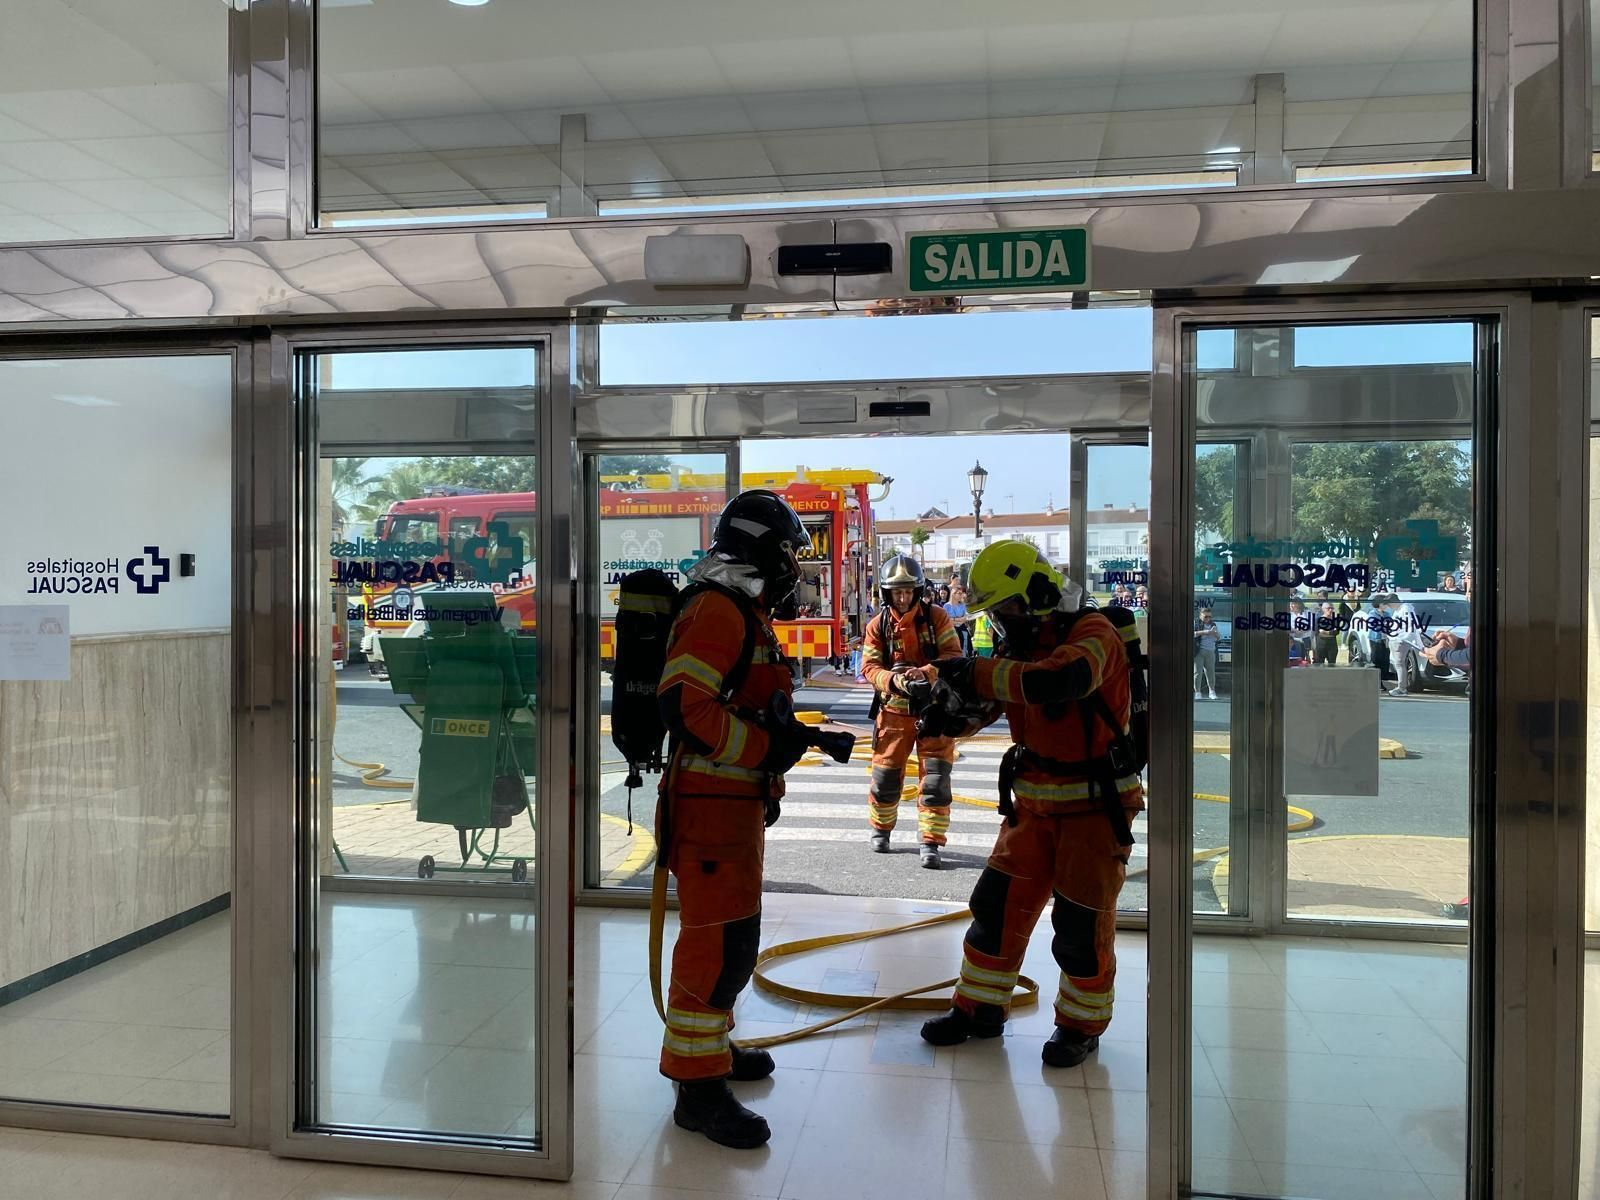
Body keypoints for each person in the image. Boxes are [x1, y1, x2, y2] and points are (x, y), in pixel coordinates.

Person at [915, 541, 1143, 1069]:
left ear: (1037, 591)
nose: (1001, 620)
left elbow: (1054, 682)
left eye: (1006, 607)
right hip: (1033, 807)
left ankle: (1080, 1026)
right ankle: (978, 1009)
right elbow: (996, 701)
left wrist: (971, 671)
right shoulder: (1020, 641)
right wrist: (949, 714)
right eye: (994, 612)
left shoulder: (1094, 634)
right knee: (995, 910)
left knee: (1080, 928)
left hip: (1093, 810)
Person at [654, 490, 814, 1150]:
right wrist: (764, 751)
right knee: (717, 946)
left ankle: (712, 1048)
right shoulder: (717, 611)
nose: (793, 569)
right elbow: (687, 707)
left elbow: (741, 707)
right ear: (760, 550)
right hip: (710, 810)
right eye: (788, 554)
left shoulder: (741, 610)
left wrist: (769, 764)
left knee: (734, 940)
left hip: (731, 808)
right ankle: (697, 1092)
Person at [861, 554, 962, 868]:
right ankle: (881, 830)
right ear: (887, 593)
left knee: (935, 781)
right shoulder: (877, 626)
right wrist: (895, 681)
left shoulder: (937, 618)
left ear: (917, 591)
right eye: (897, 592)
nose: (903, 598)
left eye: (907, 591)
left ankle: (930, 841)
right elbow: (869, 667)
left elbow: (954, 656)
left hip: (935, 712)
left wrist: (926, 673)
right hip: (893, 714)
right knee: (885, 778)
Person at [1385, 592, 1427, 696]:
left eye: (1389, 604)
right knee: (1398, 664)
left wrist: (1402, 638)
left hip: (1401, 641)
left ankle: (1402, 688)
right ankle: (1401, 687)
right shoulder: (1399, 610)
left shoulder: (1406, 609)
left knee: (1399, 664)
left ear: (1393, 602)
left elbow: (1412, 627)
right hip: (1396, 639)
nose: (1389, 607)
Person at [1193, 606, 1220, 699]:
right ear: (1200, 616)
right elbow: (1193, 634)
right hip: (1199, 650)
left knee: (1210, 672)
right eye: (1205, 617)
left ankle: (1212, 691)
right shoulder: (1196, 624)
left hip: (1210, 651)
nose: (1208, 619)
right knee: (1197, 672)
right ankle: (1197, 692)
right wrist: (1205, 632)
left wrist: (1215, 634)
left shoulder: (1213, 625)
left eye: (1209, 617)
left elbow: (1218, 638)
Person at [944, 582, 972, 653]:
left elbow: (965, 619)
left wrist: (953, 619)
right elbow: (946, 620)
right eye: (959, 593)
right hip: (950, 632)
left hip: (962, 631)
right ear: (953, 594)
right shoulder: (946, 606)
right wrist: (957, 620)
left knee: (964, 650)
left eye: (961, 593)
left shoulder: (963, 605)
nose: (961, 595)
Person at [1313, 601, 1340, 665]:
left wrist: (1325, 632)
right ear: (1323, 609)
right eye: (1328, 608)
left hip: (1332, 645)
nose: (1330, 610)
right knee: (1319, 664)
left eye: (1332, 608)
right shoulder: (1318, 620)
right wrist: (1330, 632)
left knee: (1332, 664)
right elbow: (1317, 632)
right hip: (1321, 644)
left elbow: (1336, 632)